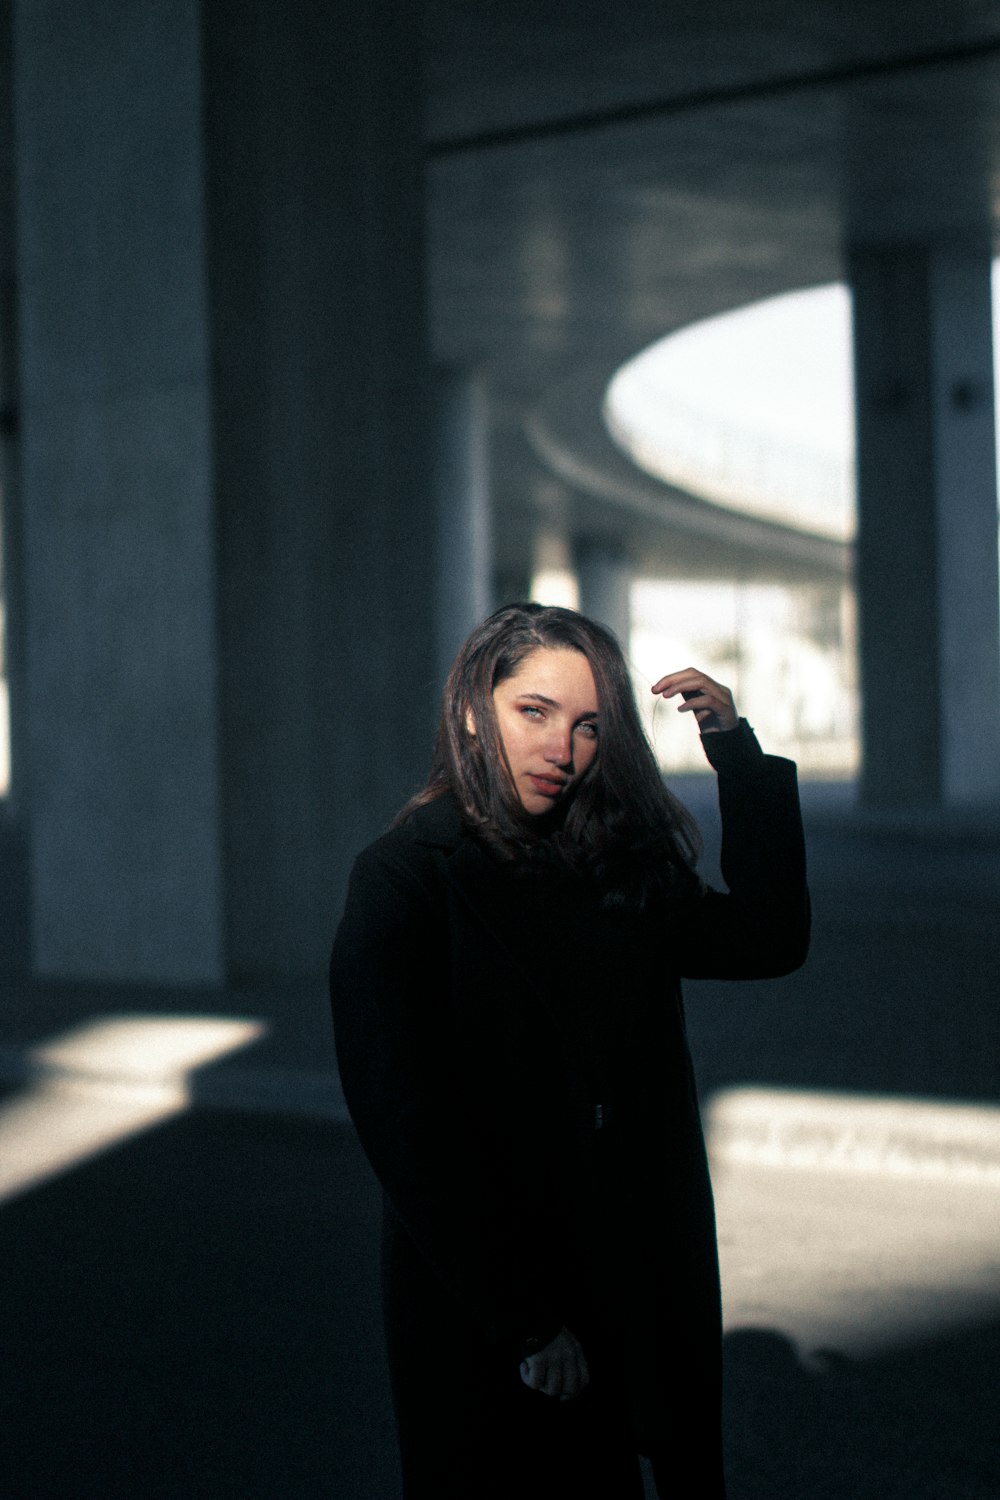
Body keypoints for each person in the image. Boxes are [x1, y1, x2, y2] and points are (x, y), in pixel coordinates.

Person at [329, 602, 809, 1499]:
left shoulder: (613, 865)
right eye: (535, 713)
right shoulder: (404, 878)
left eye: (590, 725)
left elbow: (767, 939)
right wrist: (524, 1323)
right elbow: (404, 1123)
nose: (564, 747)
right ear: (475, 708)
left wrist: (735, 753)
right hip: (493, 1308)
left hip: (625, 1277)